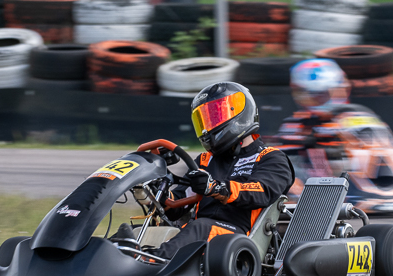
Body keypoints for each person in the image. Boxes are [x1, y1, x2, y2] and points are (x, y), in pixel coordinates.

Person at [115, 82, 294, 260]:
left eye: (216, 117)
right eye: (206, 119)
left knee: (200, 227)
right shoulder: (205, 160)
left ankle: (148, 261)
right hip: (200, 233)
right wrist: (155, 194)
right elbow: (178, 205)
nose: (210, 125)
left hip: (240, 238)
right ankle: (114, 257)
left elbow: (261, 191)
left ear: (240, 113)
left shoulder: (271, 157)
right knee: (135, 231)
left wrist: (216, 188)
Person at [274, 58, 352, 150]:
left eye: (323, 94)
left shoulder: (354, 120)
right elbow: (282, 153)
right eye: (313, 94)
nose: (317, 98)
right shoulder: (292, 124)